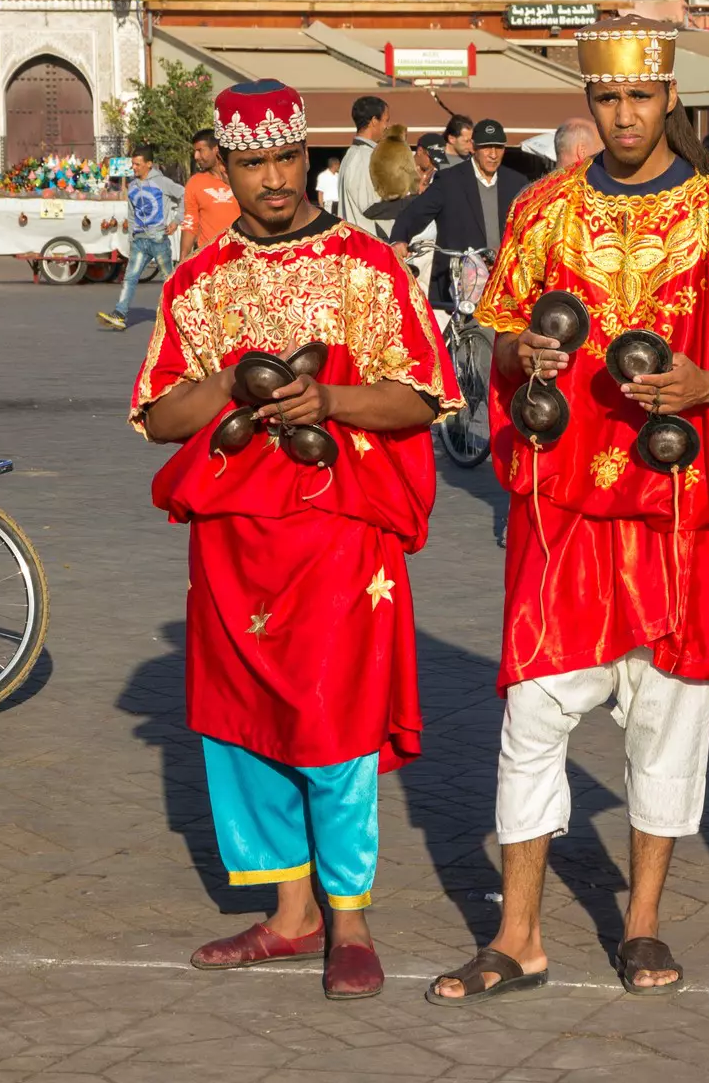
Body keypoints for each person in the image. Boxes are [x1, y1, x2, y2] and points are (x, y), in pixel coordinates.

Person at [429, 17, 709, 1006]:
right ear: (587, 101)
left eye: (639, 96)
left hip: (678, 511)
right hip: (568, 516)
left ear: (669, 95)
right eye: (606, 98)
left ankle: (641, 921)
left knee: (666, 725)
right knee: (531, 714)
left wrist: (707, 385)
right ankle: (519, 934)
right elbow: (500, 342)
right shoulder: (542, 207)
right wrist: (523, 359)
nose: (623, 115)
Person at [130, 80, 459, 999]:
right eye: (251, 163)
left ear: (307, 155)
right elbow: (158, 416)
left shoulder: (367, 263)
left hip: (340, 533)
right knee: (242, 732)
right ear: (223, 166)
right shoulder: (197, 280)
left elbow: (424, 396)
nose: (273, 180)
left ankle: (349, 920)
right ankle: (289, 913)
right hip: (233, 544)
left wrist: (331, 401)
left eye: (285, 158)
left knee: (336, 722)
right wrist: (232, 382)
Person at [387, 118, 525, 304]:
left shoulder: (517, 182)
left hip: (505, 283)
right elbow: (413, 214)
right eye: (486, 147)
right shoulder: (449, 180)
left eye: (498, 147)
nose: (493, 154)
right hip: (458, 285)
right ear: (474, 148)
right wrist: (400, 239)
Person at [96, 146, 182, 331]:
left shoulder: (163, 182)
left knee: (168, 279)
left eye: (137, 164)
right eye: (132, 164)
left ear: (149, 165)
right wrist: (132, 236)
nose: (134, 167)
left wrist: (176, 221)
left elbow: (185, 196)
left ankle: (178, 316)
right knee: (130, 278)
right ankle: (120, 314)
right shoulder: (133, 185)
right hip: (139, 241)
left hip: (158, 239)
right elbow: (132, 212)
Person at [179, 128, 237, 259]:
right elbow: (190, 223)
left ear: (215, 149)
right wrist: (183, 259)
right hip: (208, 259)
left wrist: (232, 183)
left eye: (200, 150)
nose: (196, 156)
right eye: (195, 151)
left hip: (239, 257)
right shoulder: (194, 183)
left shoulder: (239, 178)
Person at [336, 96, 389, 232]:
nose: (387, 126)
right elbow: (369, 207)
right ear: (374, 121)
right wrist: (409, 203)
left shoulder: (353, 154)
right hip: (367, 245)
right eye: (385, 120)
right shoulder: (363, 156)